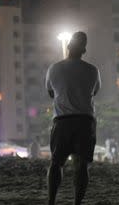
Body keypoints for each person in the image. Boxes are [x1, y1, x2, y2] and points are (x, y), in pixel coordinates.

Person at [45, 31, 100, 205]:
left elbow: (51, 93)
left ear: (68, 45)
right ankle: (77, 202)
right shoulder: (92, 70)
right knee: (81, 165)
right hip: (85, 120)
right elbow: (95, 92)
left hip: (62, 120)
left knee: (56, 163)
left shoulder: (54, 68)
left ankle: (51, 201)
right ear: (84, 50)